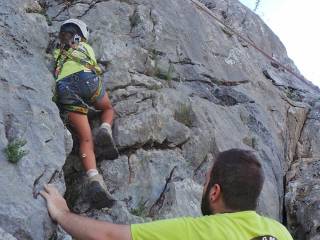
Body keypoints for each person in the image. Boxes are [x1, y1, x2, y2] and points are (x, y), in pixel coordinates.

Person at [41, 149, 294, 240]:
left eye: (206, 184)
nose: (203, 189)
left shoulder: (200, 231)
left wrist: (62, 213)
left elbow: (108, 236)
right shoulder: (281, 233)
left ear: (215, 192)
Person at [53, 18, 117, 208]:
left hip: (65, 88)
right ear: (82, 35)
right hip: (86, 78)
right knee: (108, 108)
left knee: (85, 140)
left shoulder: (58, 54)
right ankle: (105, 128)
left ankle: (94, 178)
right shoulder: (86, 47)